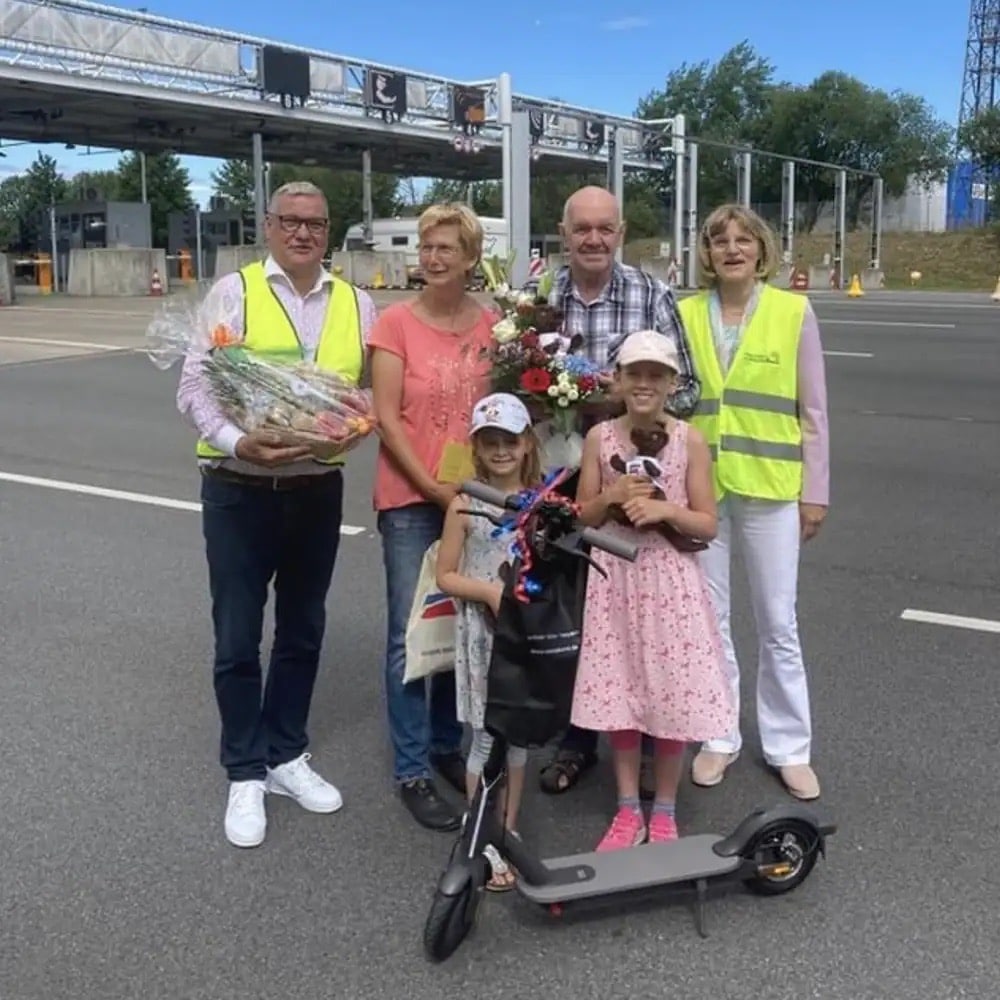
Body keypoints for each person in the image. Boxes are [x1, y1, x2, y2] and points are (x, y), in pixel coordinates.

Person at [176, 180, 378, 848]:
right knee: (237, 638)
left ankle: (287, 753)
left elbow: (371, 394)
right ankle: (245, 769)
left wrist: (359, 428)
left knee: (301, 630)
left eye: (315, 223)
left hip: (315, 490)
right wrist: (240, 441)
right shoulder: (234, 293)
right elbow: (194, 384)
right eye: (289, 221)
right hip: (238, 488)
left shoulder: (359, 303)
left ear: (330, 231)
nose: (301, 233)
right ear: (268, 226)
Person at [539, 184, 701, 797]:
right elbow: (519, 366)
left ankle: (654, 727)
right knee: (574, 604)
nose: (594, 239)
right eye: (582, 228)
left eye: (605, 228)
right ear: (564, 233)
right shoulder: (543, 294)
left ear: (622, 231)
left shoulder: (651, 293)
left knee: (635, 610)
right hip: (561, 468)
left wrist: (625, 402)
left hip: (635, 476)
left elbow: (689, 391)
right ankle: (578, 736)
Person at [678, 204, 830, 802]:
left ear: (761, 251)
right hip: (701, 489)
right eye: (720, 242)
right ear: (707, 255)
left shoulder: (793, 311)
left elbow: (813, 412)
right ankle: (718, 735)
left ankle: (789, 746)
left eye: (744, 240)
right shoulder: (686, 312)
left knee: (777, 622)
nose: (732, 249)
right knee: (709, 621)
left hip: (771, 487)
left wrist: (814, 493)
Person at [571, 330, 735, 850]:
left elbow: (707, 523)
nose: (644, 384)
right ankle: (626, 808)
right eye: (634, 374)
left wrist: (665, 509)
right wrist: (613, 494)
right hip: (615, 575)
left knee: (670, 689)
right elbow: (580, 517)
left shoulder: (691, 440)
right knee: (621, 687)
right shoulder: (601, 438)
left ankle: (663, 808)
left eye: (655, 375)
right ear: (618, 380)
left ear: (672, 383)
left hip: (668, 578)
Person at [369, 202, 496, 831]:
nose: (433, 259)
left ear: (471, 258)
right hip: (414, 499)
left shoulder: (493, 326)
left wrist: (481, 495)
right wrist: (436, 492)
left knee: (458, 623)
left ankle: (448, 745)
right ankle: (412, 767)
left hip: (474, 498)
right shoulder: (394, 324)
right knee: (410, 631)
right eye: (426, 248)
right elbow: (387, 420)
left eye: (447, 248)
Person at [435, 392, 543, 889]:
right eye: (490, 442)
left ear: (526, 444)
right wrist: (486, 592)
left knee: (518, 740)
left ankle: (507, 825)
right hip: (483, 635)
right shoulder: (465, 502)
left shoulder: (539, 501)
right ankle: (479, 833)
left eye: (510, 441)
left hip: (524, 635)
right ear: (476, 448)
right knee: (484, 737)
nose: (501, 450)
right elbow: (446, 575)